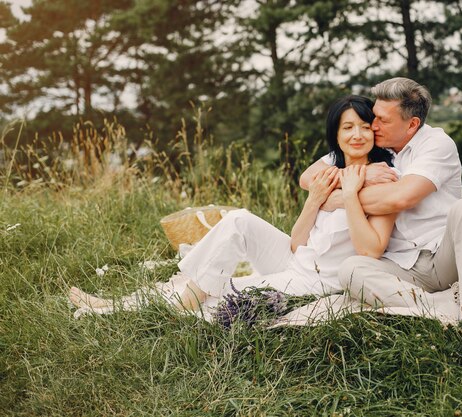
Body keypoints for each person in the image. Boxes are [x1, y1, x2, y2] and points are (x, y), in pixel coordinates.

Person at [69, 95, 398, 315]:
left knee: (221, 292)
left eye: (366, 127)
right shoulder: (329, 170)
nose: (358, 135)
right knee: (239, 220)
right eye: (348, 127)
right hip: (295, 261)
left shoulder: (385, 177)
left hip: (320, 280)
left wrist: (356, 188)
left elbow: (372, 247)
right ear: (335, 134)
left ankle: (119, 308)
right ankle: (142, 302)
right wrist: (315, 200)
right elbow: (298, 243)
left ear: (375, 132)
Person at [300, 78, 462, 375]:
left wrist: (336, 198)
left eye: (381, 120)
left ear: (412, 125)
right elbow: (308, 178)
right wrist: (357, 182)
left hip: (443, 257)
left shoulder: (436, 144)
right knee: (351, 269)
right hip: (400, 266)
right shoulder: (379, 151)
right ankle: (442, 308)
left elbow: (400, 197)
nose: (372, 126)